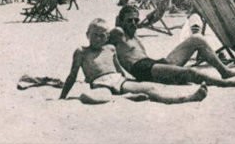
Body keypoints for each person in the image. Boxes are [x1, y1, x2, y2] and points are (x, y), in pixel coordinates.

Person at [60, 19, 208, 104]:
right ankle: (125, 97)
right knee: (87, 97)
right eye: (95, 35)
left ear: (107, 37)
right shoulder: (81, 52)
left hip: (119, 81)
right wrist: (62, 97)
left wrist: (128, 81)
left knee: (150, 88)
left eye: (102, 36)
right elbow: (72, 75)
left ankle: (189, 98)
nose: (99, 38)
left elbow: (118, 69)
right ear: (87, 35)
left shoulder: (110, 48)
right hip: (100, 83)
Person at [108, 5, 235, 88]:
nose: (134, 23)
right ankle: (229, 83)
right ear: (120, 21)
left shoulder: (133, 34)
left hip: (155, 64)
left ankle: (225, 71)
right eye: (129, 21)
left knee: (197, 38)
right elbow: (101, 42)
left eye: (136, 20)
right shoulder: (119, 33)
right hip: (144, 71)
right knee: (189, 72)